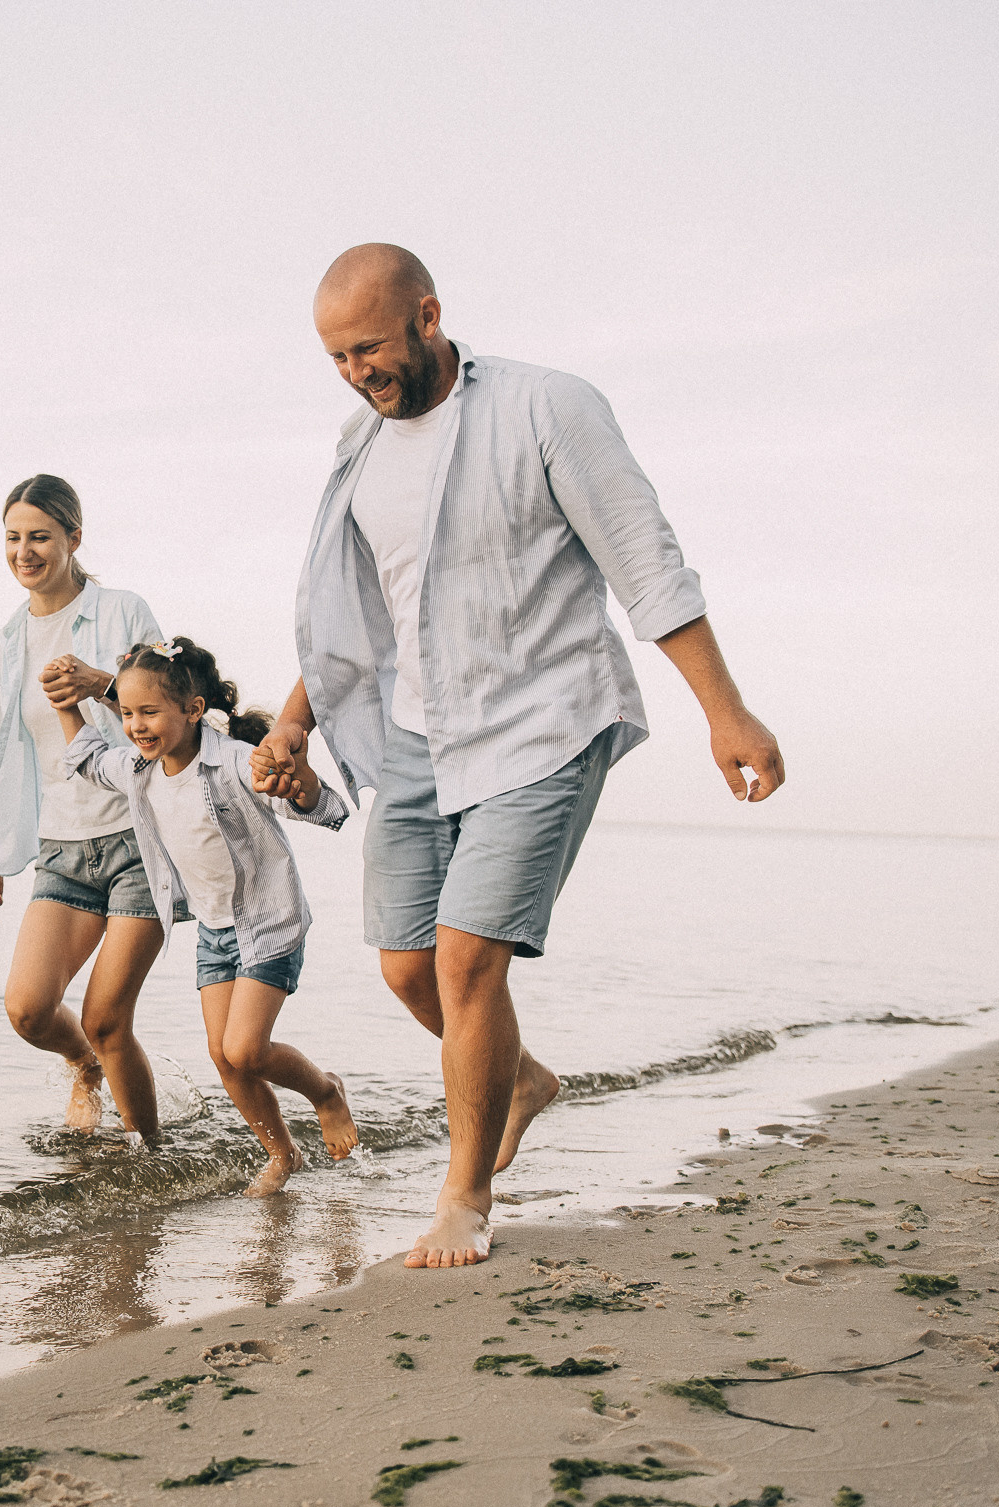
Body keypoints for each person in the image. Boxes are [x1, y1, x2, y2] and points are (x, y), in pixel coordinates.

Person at [251, 244, 787, 1268]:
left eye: (368, 347)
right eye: (335, 358)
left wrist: (728, 712)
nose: (357, 372)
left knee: (466, 959)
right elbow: (355, 616)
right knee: (410, 966)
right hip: (415, 736)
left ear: (428, 314)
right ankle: (525, 1079)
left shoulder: (549, 408)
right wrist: (294, 722)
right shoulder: (357, 447)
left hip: (543, 720)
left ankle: (467, 1197)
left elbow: (645, 561)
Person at [57, 637, 358, 1195]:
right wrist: (67, 706)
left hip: (268, 925)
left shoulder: (238, 762)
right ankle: (281, 1153)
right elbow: (92, 762)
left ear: (193, 710)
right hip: (216, 931)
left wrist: (301, 780)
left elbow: (317, 809)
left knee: (246, 1049)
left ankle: (324, 1093)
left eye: (149, 712)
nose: (135, 726)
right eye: (126, 713)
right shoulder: (141, 769)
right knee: (226, 1060)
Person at [0, 474, 170, 1143]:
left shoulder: (121, 611)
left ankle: (152, 1163)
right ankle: (84, 1065)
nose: (25, 551)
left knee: (109, 1017)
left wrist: (104, 684)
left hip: (139, 839)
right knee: (27, 1008)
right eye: (15, 537)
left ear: (73, 539)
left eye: (41, 536)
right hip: (63, 846)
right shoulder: (7, 642)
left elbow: (176, 710)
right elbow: (9, 753)